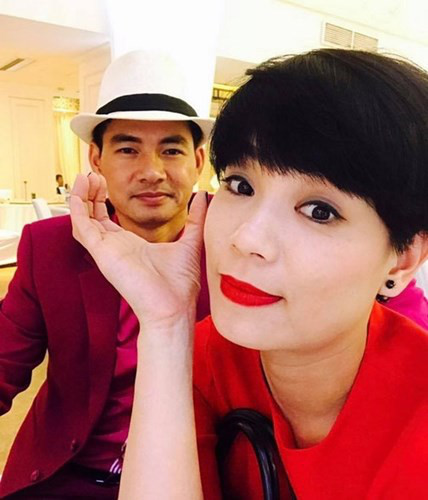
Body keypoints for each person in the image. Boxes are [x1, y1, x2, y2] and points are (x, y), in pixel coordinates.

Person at [70, 48, 428, 500]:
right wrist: (165, 325)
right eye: (241, 185)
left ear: (402, 258)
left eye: (319, 211)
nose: (247, 238)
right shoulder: (209, 355)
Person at [0, 50, 213, 499]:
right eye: (128, 149)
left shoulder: (237, 246)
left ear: (198, 160)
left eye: (171, 149)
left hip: (196, 478)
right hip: (69, 475)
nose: (152, 172)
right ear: (96, 158)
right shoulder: (52, 247)